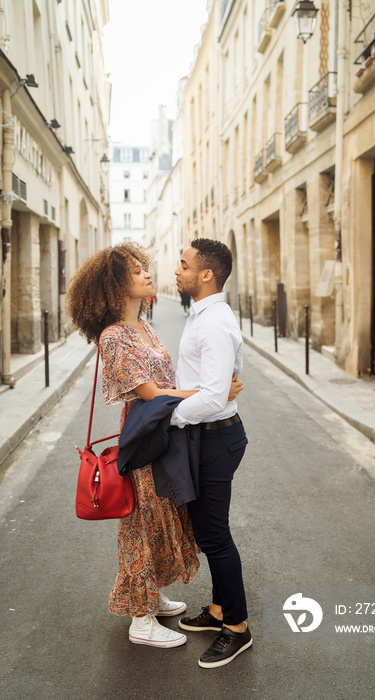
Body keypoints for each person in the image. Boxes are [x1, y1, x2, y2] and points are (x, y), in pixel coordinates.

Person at [66, 242, 242, 650]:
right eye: (134, 272)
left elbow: (169, 380)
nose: (147, 274)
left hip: (163, 435)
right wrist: (211, 392)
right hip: (145, 437)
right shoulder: (113, 337)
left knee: (162, 516)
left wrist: (209, 389)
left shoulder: (143, 327)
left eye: (144, 268)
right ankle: (140, 618)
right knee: (141, 522)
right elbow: (152, 393)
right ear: (115, 286)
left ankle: (152, 595)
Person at [172, 238, 252, 669]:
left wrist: (165, 416)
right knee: (209, 533)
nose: (177, 270)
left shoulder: (214, 322)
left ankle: (237, 628)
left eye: (184, 265)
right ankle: (220, 610)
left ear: (206, 274)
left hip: (216, 438)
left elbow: (214, 395)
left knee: (214, 535)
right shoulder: (203, 315)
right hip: (208, 435)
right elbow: (217, 384)